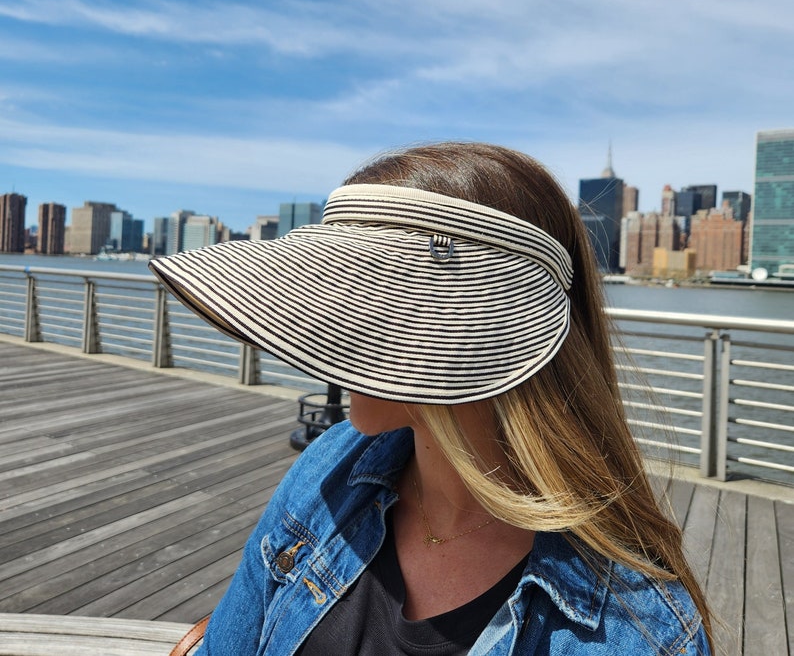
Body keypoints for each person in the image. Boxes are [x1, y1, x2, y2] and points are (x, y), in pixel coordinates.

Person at [149, 142, 713, 655]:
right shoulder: (333, 464)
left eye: (368, 302)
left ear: (478, 325)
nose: (334, 331)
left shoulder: (637, 632)